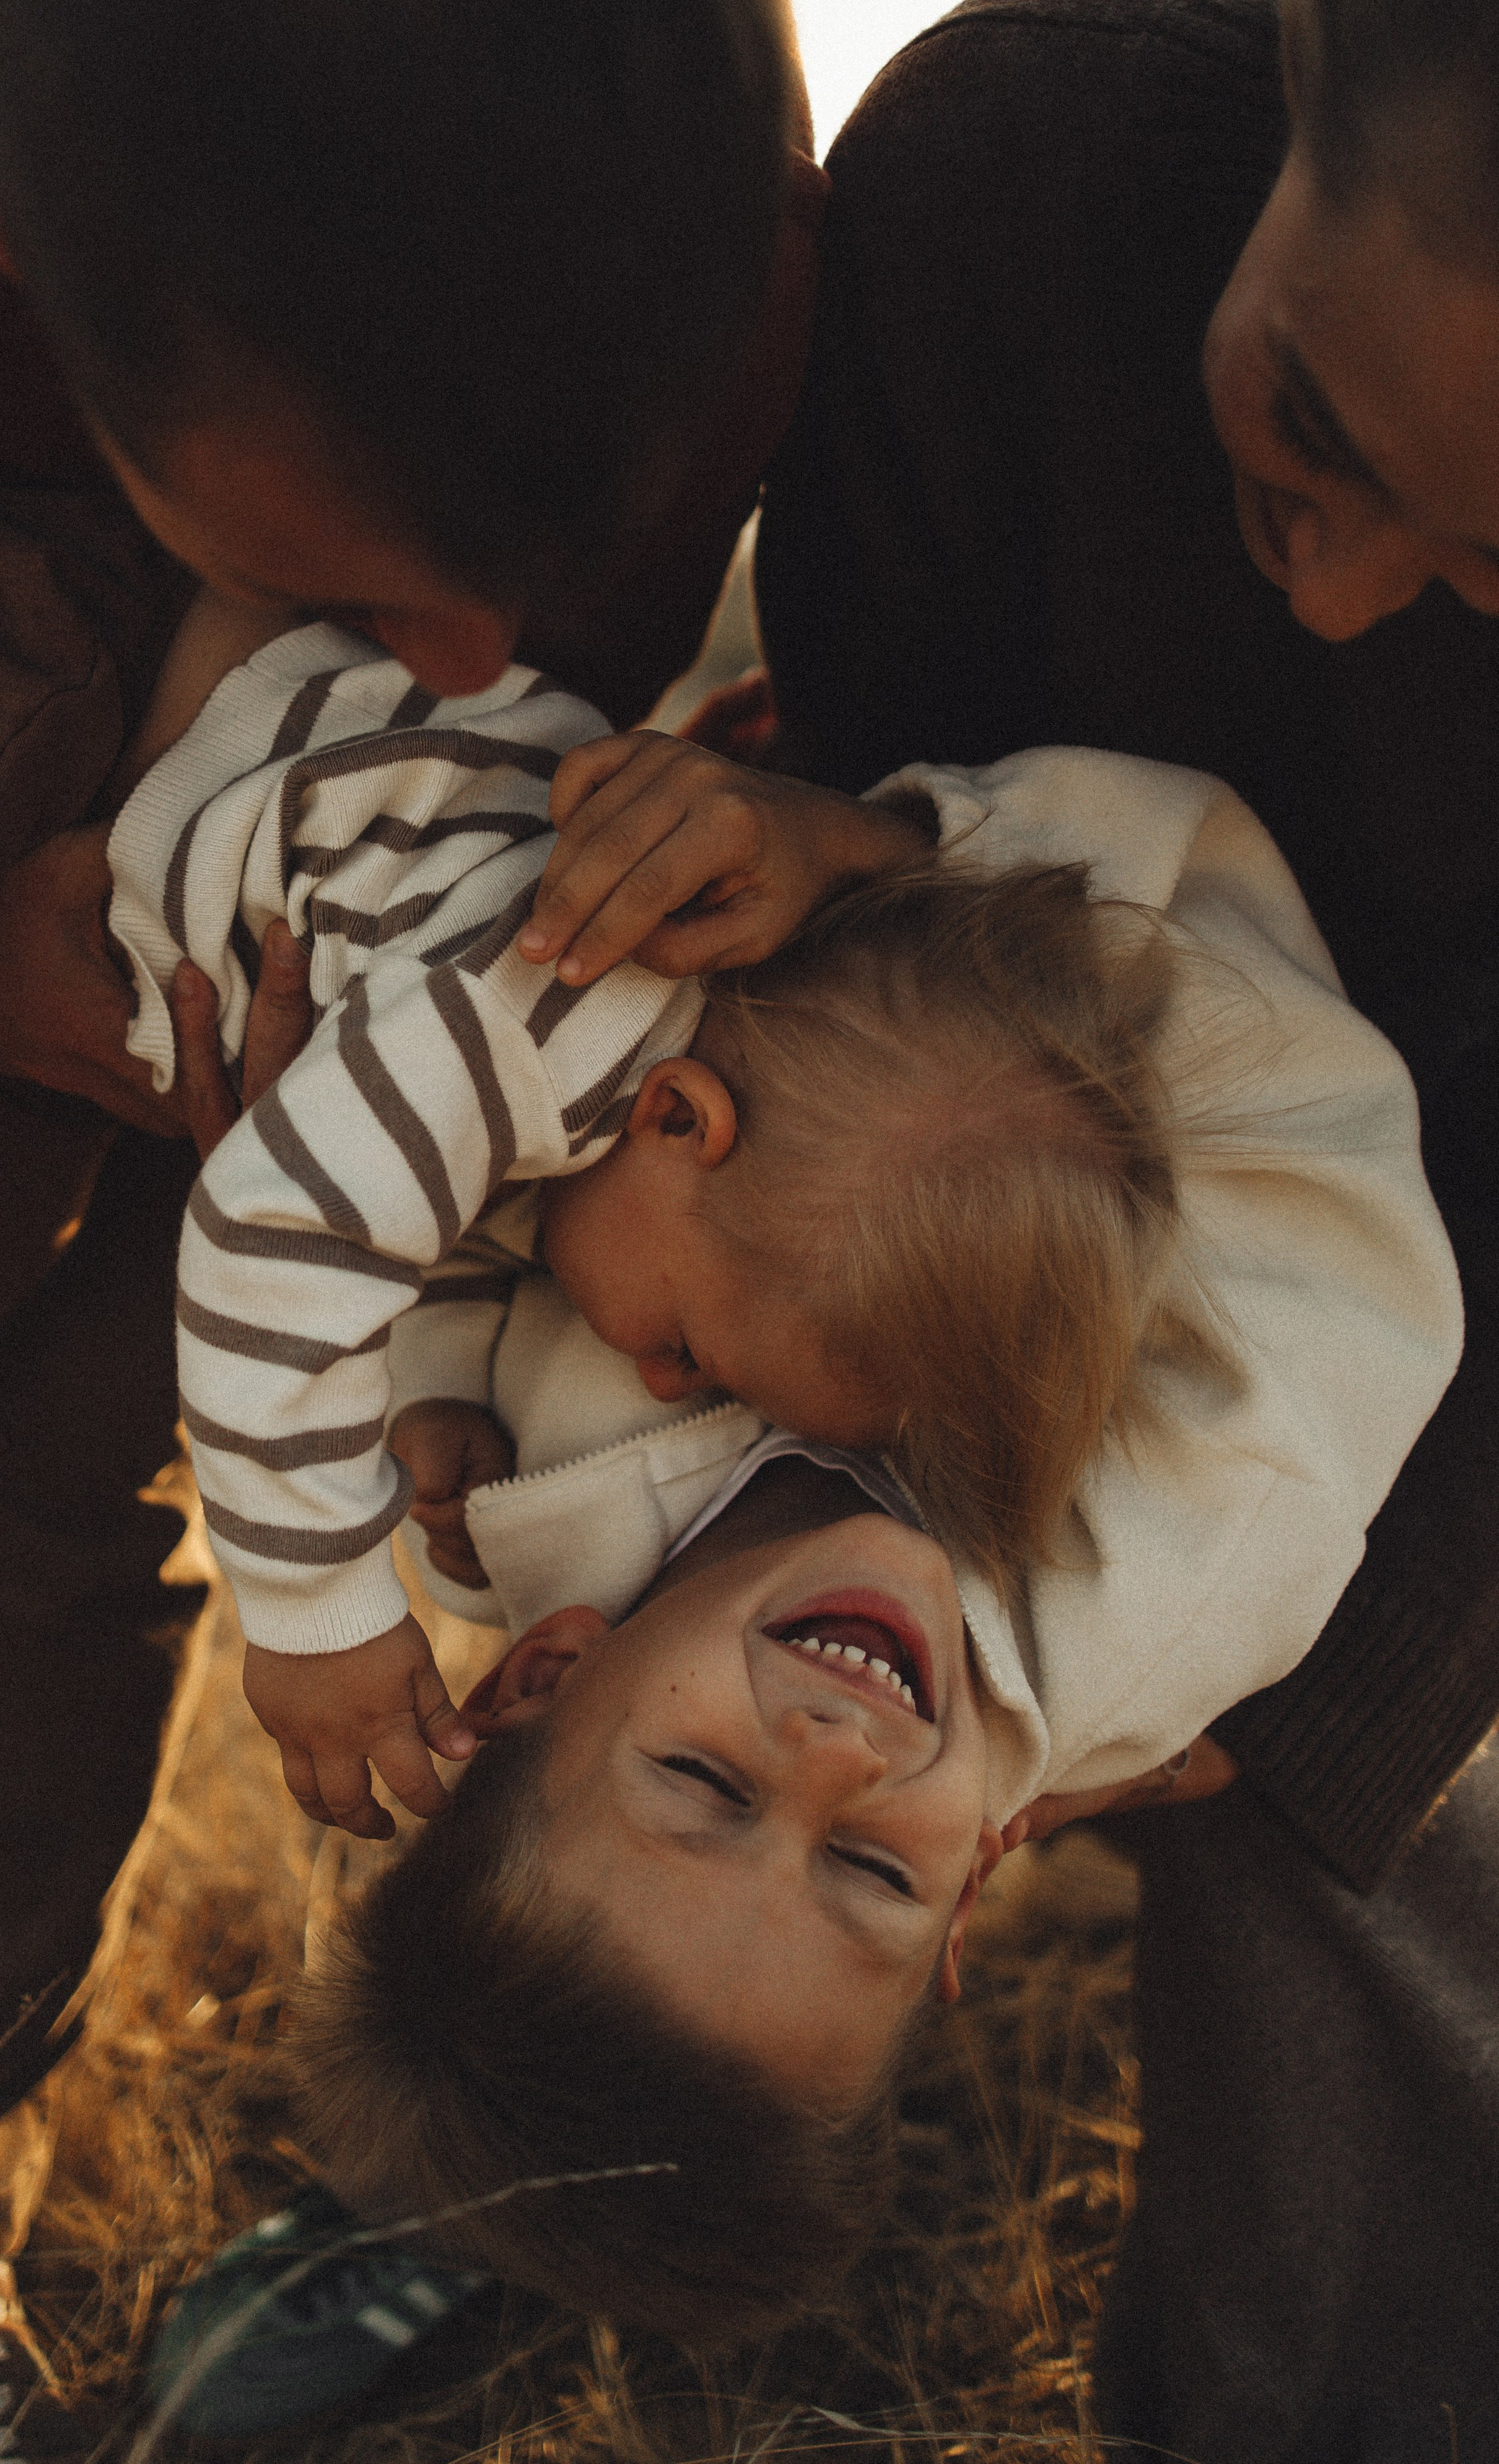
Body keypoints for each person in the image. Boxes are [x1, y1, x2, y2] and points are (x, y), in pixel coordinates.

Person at [0, 0, 818, 2393]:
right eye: (351, 564)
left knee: (102, 1453)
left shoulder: (665, 133)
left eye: (503, 566)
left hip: (293, 930)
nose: (452, 651)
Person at [141, 733, 1459, 2415]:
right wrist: (912, 870)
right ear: (976, 1884)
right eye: (870, 1878)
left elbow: (476, 1238)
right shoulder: (1202, 1546)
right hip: (1109, 888)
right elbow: (1315, 1131)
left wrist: (402, 1294)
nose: (828, 1759)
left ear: (542, 1672)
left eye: (700, 1780)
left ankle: (469, 2213)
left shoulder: (509, 1493)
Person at [748, 0, 1499, 2460]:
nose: (1335, 589)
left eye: (1493, 569)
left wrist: (1308, 1688)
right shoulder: (1010, 170)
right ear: (1313, 65)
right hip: (1022, 1061)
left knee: (1356, 1822)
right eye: (1304, 415)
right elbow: (873, 806)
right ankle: (590, 2138)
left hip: (1456, 1212)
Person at [107, 593, 1272, 1828]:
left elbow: (423, 1204)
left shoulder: (595, 1096)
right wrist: (317, 1613)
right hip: (140, 707)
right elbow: (278, 1235)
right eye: (695, 1349)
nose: (661, 1382)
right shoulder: (537, 1023)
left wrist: (440, 1375)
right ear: (681, 1120)